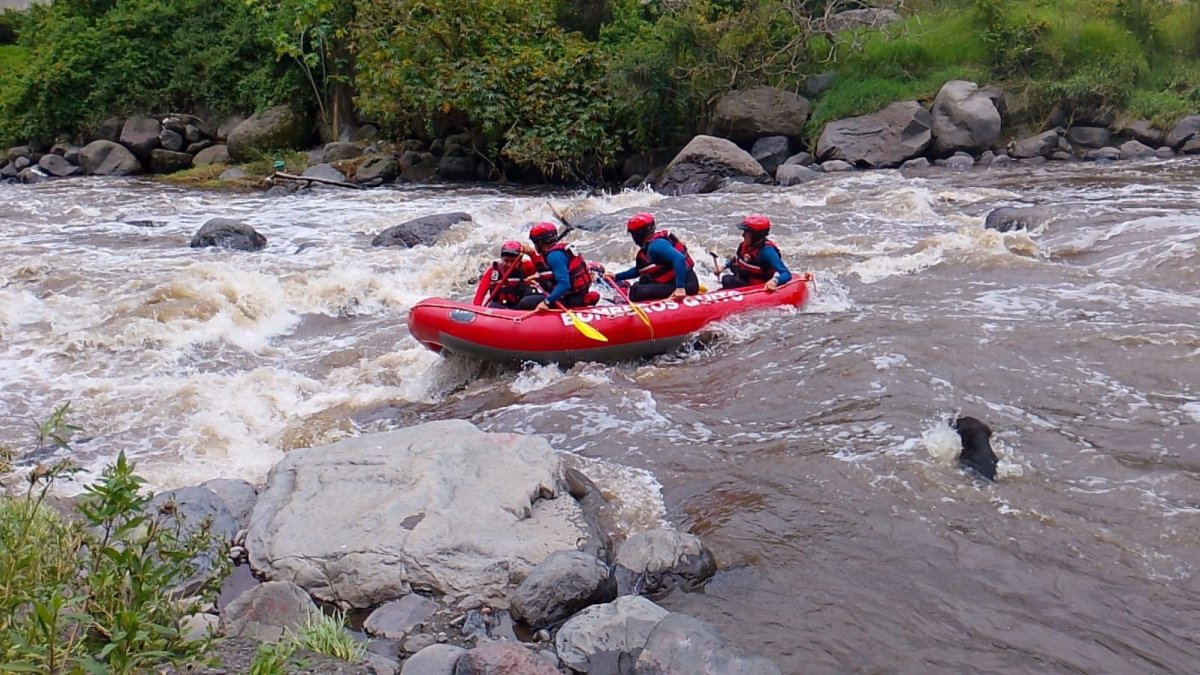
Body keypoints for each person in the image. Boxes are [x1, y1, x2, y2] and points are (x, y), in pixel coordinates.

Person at [611, 212, 700, 302]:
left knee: (638, 291)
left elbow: (679, 258)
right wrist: (616, 277)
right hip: (678, 282)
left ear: (638, 235)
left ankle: (624, 304)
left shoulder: (655, 246)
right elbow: (640, 270)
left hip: (687, 285)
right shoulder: (652, 245)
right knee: (641, 283)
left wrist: (680, 288)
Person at [515, 221, 597, 310]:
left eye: (535, 243)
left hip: (572, 299)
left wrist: (546, 302)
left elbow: (564, 284)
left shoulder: (554, 256)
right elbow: (549, 271)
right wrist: (532, 255)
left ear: (540, 242)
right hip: (579, 294)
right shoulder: (561, 249)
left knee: (526, 302)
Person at [717, 214, 792, 291]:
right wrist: (724, 266)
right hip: (743, 282)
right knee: (727, 280)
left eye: (746, 232)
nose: (743, 235)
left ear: (756, 235)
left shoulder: (767, 251)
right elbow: (739, 262)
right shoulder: (744, 246)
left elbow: (786, 274)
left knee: (727, 279)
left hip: (756, 288)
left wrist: (774, 282)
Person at [472, 240, 541, 309]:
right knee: (492, 306)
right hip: (503, 310)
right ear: (501, 259)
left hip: (523, 308)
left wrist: (532, 254)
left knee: (527, 300)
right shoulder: (493, 271)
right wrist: (476, 310)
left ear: (519, 260)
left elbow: (543, 269)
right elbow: (480, 294)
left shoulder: (527, 266)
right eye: (506, 260)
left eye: (513, 261)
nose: (509, 264)